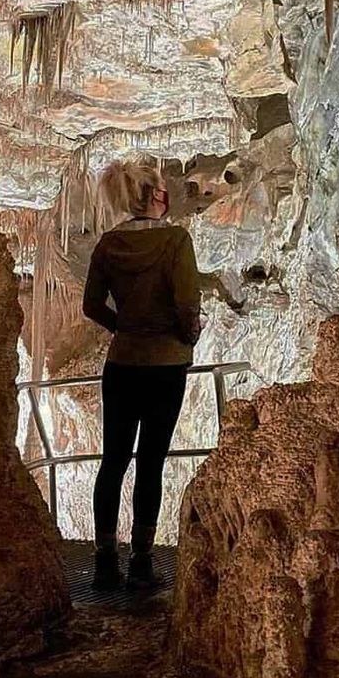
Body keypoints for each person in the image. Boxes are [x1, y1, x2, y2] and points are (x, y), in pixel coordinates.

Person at [82, 157, 202, 591]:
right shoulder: (175, 240)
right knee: (151, 462)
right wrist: (187, 336)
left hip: (122, 364)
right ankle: (142, 560)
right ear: (154, 196)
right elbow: (187, 303)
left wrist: (124, 327)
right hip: (165, 365)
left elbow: (91, 305)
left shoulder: (108, 245)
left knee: (113, 461)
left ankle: (103, 560)